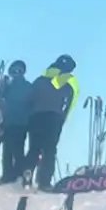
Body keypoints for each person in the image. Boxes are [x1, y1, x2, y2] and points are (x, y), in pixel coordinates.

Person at [27, 55, 80, 191]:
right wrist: (63, 118)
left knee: (34, 148)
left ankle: (26, 174)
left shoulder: (40, 79)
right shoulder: (68, 79)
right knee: (49, 150)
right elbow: (71, 101)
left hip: (36, 116)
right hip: (54, 116)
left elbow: (30, 98)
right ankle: (44, 182)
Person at [0, 60, 33, 184]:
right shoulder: (11, 87)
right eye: (14, 71)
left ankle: (13, 175)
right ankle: (12, 174)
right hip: (15, 123)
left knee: (13, 149)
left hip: (18, 123)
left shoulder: (15, 87)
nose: (16, 73)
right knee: (11, 149)